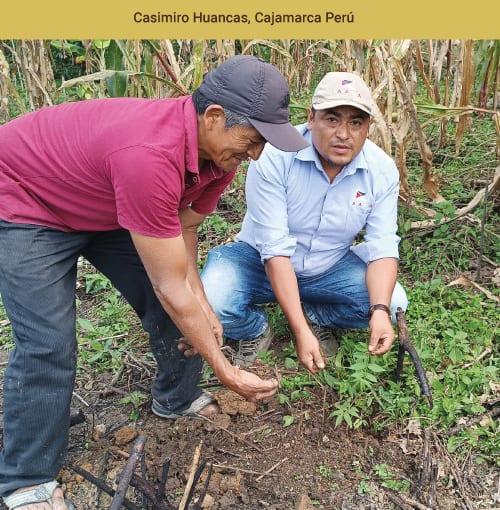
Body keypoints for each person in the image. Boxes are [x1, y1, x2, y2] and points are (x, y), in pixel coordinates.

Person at [0, 55, 309, 510]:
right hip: (27, 197)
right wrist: (223, 368)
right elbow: (169, 286)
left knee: (186, 312)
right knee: (48, 342)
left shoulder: (219, 156)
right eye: (254, 138)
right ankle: (26, 481)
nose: (257, 153)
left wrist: (202, 306)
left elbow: (184, 231)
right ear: (215, 117)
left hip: (104, 199)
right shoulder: (149, 156)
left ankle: (177, 398)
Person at [201, 71, 409, 372]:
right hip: (258, 261)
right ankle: (255, 328)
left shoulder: (381, 171)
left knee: (393, 303)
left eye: (356, 123)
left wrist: (378, 310)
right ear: (311, 119)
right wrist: (301, 334)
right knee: (212, 299)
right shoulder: (275, 156)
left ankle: (318, 312)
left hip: (328, 267)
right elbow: (274, 250)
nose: (343, 134)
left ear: (368, 127)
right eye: (332, 119)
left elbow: (383, 246)